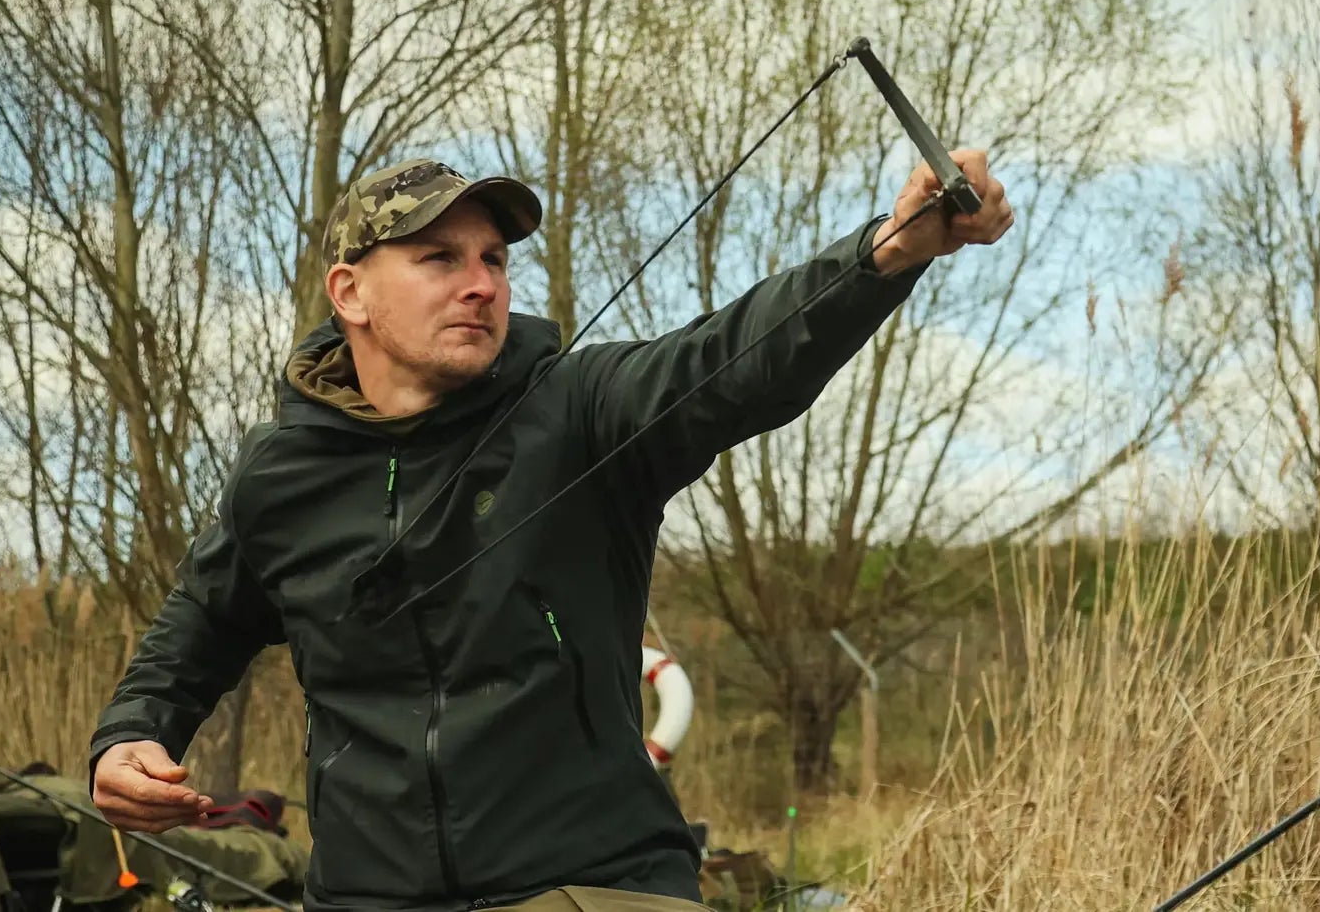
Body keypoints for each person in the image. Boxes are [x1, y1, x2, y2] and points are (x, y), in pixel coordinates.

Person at [87, 152, 1013, 912]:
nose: (481, 284)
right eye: (440, 259)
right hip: (367, 895)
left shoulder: (579, 409)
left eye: (493, 259)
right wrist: (130, 735)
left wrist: (885, 256)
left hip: (589, 883)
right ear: (352, 293)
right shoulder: (280, 475)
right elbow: (197, 628)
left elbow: (735, 363)